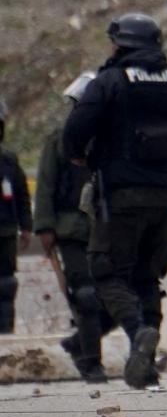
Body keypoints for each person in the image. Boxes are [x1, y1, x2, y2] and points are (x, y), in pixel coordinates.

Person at [62, 13, 167, 388]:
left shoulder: (109, 82)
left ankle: (138, 332)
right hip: (166, 199)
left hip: (122, 195)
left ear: (121, 44)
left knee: (108, 271)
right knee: (148, 275)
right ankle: (143, 362)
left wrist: (79, 155)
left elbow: (76, 128)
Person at [34, 73, 112, 381]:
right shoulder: (60, 139)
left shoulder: (112, 138)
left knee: (120, 297)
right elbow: (46, 185)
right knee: (86, 296)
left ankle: (79, 343)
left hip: (107, 228)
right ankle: (91, 361)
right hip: (72, 230)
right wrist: (44, 227)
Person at [0, 99, 32, 334]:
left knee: (5, 285)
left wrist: (26, 226)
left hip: (5, 231)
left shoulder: (8, 160)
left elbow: (21, 194)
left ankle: (5, 336)